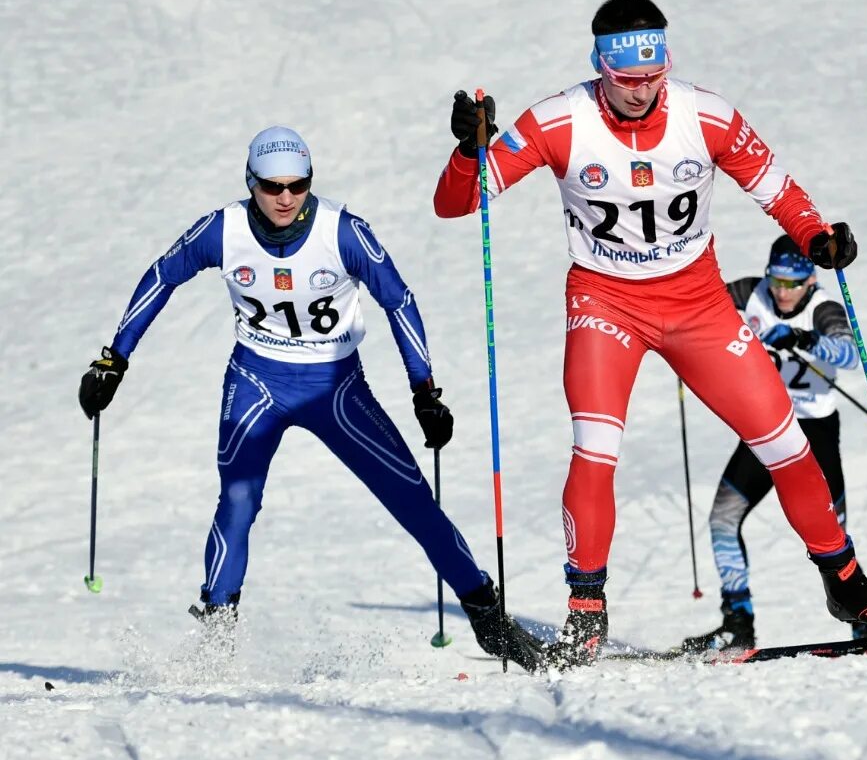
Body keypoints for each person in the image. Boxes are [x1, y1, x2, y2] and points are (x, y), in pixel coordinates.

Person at [435, 0, 867, 667]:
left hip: (698, 303)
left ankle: (849, 589)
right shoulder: (559, 119)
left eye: (652, 75)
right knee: (595, 445)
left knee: (786, 441)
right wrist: (471, 150)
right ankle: (586, 610)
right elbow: (457, 204)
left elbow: (778, 188)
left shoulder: (707, 115)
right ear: (600, 68)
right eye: (625, 78)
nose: (640, 91)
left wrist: (818, 238)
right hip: (605, 302)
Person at [78, 126, 544, 672]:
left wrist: (424, 391)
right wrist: (115, 359)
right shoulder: (224, 229)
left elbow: (399, 301)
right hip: (256, 382)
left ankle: (491, 622)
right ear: (251, 182)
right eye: (272, 186)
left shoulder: (341, 231)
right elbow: (162, 276)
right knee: (237, 502)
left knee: (413, 501)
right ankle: (216, 635)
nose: (284, 198)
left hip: (334, 388)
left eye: (297, 186)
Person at [682, 235, 863, 651]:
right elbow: (694, 307)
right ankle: (737, 623)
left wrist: (804, 340)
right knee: (723, 520)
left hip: (814, 430)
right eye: (777, 281)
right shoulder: (748, 292)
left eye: (793, 283)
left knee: (833, 534)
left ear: (811, 281)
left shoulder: (824, 308)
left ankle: (863, 619)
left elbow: (851, 355)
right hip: (764, 426)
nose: (783, 292)